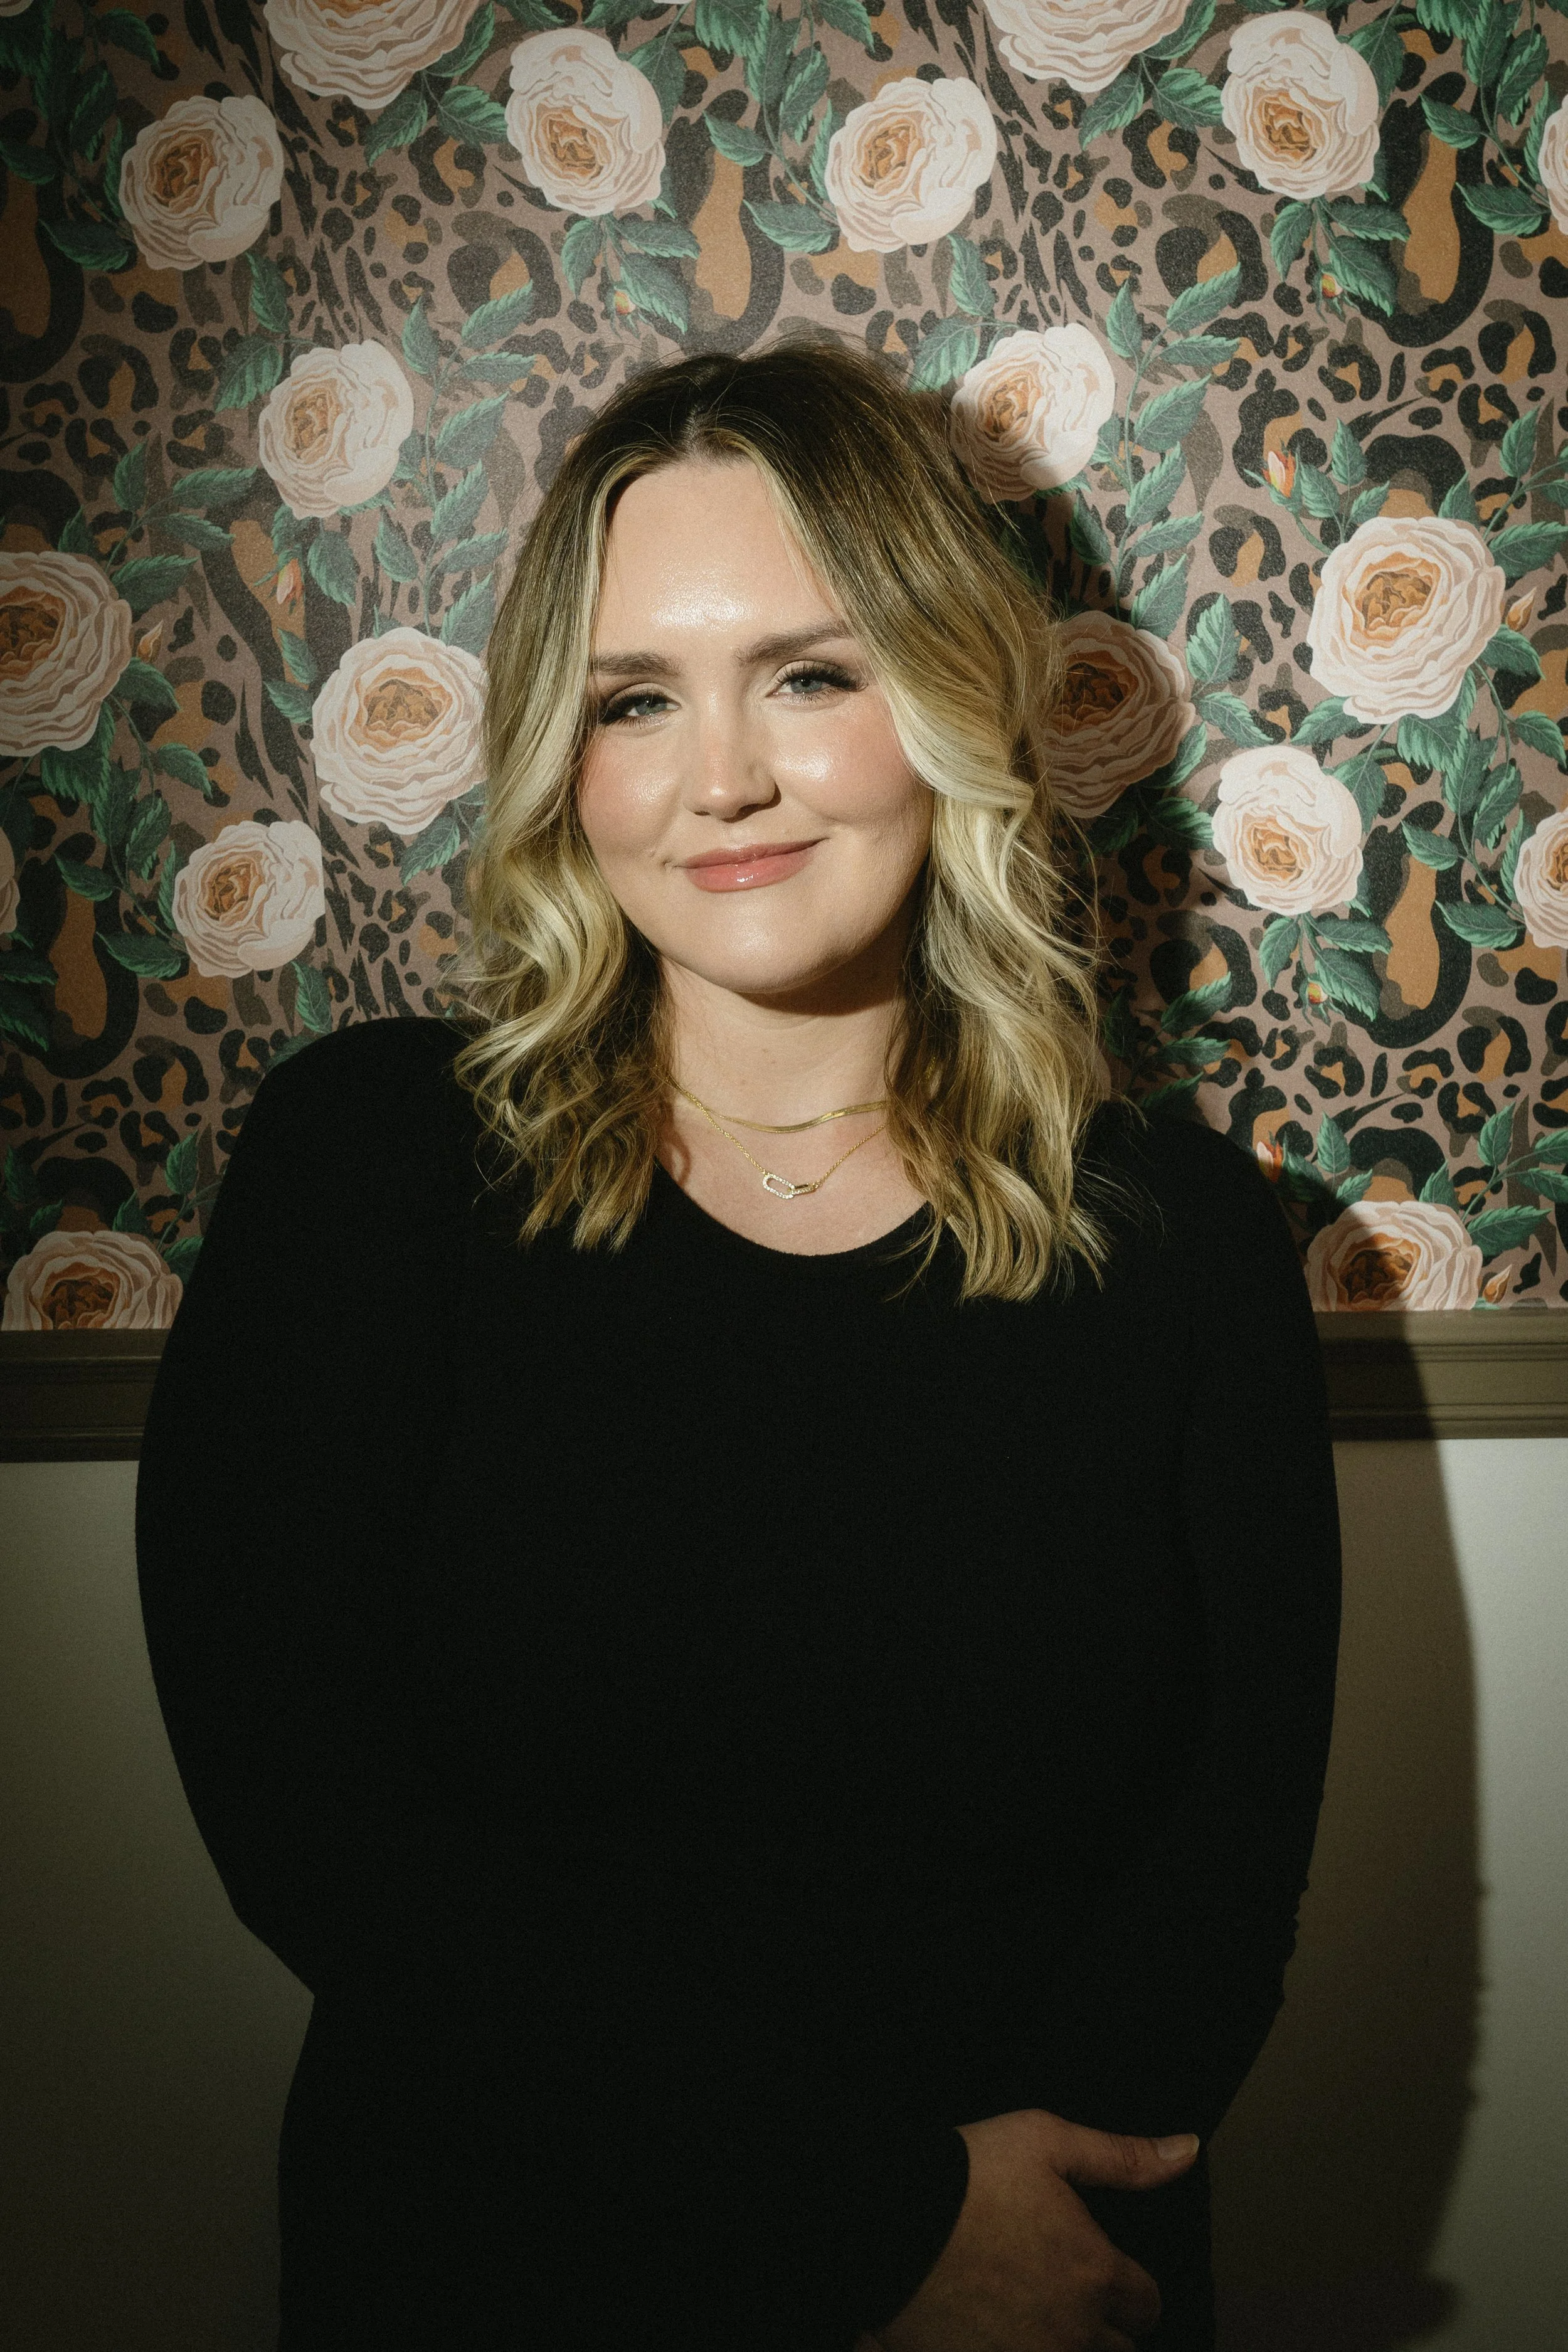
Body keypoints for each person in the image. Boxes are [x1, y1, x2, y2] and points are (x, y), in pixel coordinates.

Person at [135, 340, 1342, 2352]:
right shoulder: (370, 1169)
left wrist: (1006, 2265)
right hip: (503, 2268)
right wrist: (867, 2220)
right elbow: (313, 1819)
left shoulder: (1186, 1240)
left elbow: (1222, 1881)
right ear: (561, 756)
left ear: (947, 697)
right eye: (634, 698)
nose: (722, 777)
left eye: (809, 671)